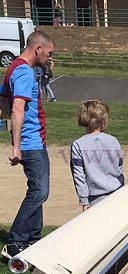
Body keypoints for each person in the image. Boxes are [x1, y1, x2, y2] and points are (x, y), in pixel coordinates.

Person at [0, 31, 55, 259]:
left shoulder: (14, 67)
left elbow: (3, 98)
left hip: (30, 140)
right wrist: (16, 145)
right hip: (31, 143)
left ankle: (33, 240)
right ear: (38, 49)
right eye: (49, 53)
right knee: (40, 192)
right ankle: (15, 243)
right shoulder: (23, 72)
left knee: (36, 191)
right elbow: (17, 108)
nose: (50, 58)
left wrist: (12, 130)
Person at [70, 100, 124, 210]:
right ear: (103, 120)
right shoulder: (113, 140)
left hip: (94, 199)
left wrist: (84, 200)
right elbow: (119, 168)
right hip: (117, 193)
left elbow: (79, 176)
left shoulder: (78, 144)